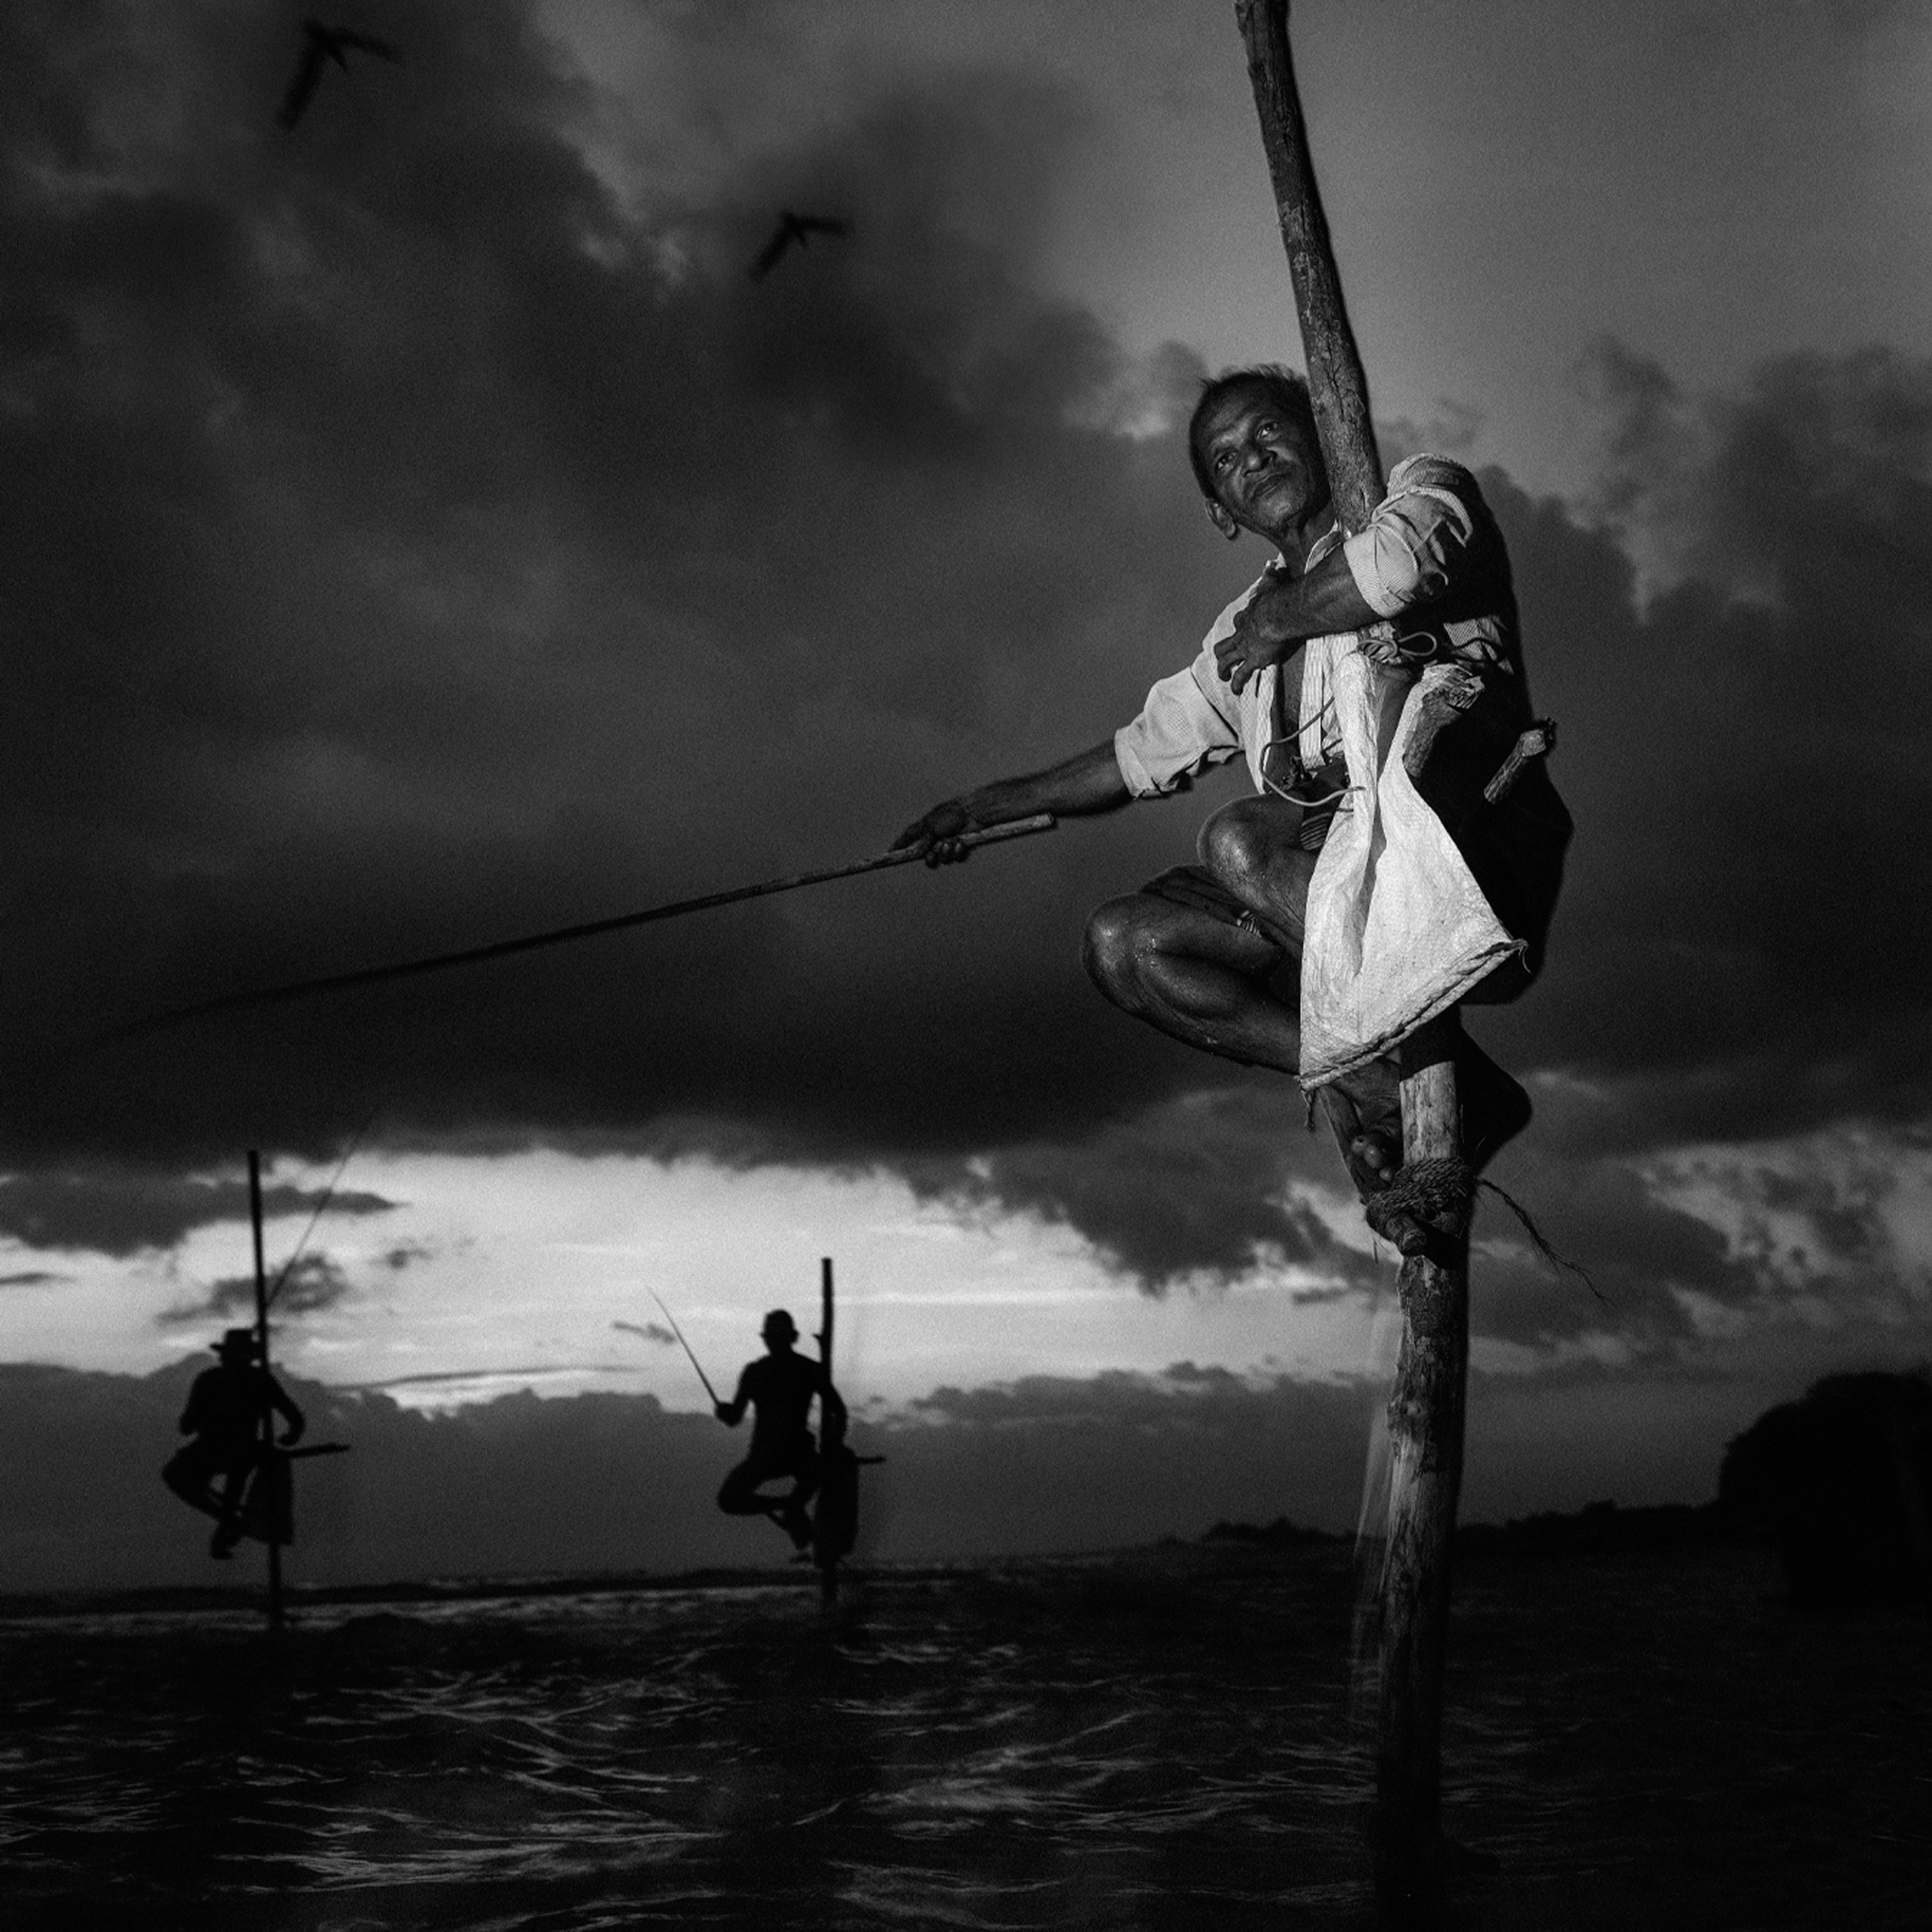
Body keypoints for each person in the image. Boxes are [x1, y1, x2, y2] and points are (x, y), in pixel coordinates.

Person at [895, 365, 1569, 1200]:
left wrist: (1279, 624)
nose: (1250, 459)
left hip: (1466, 870)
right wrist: (979, 807)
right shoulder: (1236, 637)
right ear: (1222, 514)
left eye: (1267, 433)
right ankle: (1394, 1086)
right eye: (1224, 460)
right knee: (1123, 944)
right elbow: (1136, 754)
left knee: (1239, 838)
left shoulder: (1425, 493)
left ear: (1323, 436)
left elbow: (1394, 567)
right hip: (1330, 903)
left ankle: (1421, 1082)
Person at [160, 1327, 306, 1558]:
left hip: (230, 1449)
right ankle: (228, 1524)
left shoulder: (234, 1379)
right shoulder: (225, 1379)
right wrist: (291, 1434)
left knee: (184, 1477)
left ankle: (227, 1526)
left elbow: (294, 1418)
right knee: (188, 1479)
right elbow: (294, 1418)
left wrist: (291, 1435)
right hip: (224, 1449)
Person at [714, 1308, 847, 1549]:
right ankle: (790, 1506)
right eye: (771, 1338)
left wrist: (833, 1446)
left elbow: (839, 1411)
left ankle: (791, 1507)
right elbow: (734, 1417)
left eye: (777, 1337)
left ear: (790, 1338)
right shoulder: (759, 1372)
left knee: (821, 1469)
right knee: (728, 1499)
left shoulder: (804, 1369)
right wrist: (725, 1412)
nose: (774, 1342)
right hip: (769, 1456)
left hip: (794, 1455)